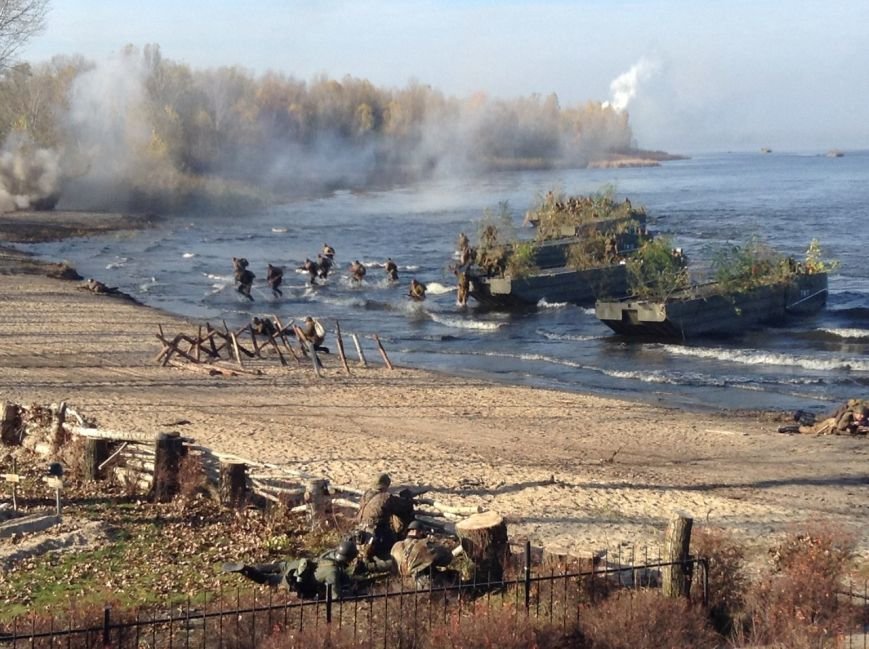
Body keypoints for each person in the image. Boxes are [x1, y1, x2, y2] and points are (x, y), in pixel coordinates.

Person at [223, 538, 361, 598]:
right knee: (269, 579)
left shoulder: (329, 554)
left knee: (274, 567)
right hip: (293, 580)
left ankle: (251, 567)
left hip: (296, 565)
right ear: (347, 559)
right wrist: (353, 593)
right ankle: (245, 570)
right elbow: (335, 597)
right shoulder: (333, 572)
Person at [356, 473, 415, 559]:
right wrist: (408, 498)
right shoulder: (385, 497)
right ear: (385, 486)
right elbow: (405, 506)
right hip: (379, 536)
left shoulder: (366, 495)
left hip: (363, 532)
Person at [389, 521, 456, 589]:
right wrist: (435, 542)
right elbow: (447, 558)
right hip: (421, 585)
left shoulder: (396, 546)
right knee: (452, 575)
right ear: (420, 532)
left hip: (400, 585)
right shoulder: (424, 545)